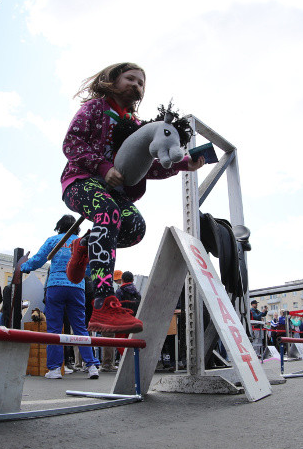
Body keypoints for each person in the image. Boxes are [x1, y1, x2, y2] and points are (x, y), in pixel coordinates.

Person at [60, 62, 205, 334]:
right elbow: (73, 143)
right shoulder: (94, 109)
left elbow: (146, 167)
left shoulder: (136, 125)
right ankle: (102, 303)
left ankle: (86, 244)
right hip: (81, 181)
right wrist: (104, 168)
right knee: (109, 213)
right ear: (112, 81)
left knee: (135, 228)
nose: (136, 86)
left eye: (141, 83)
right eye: (130, 79)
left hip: (114, 194)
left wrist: (184, 164)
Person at [20, 215, 101, 379]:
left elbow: (39, 259)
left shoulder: (53, 241)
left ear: (59, 226)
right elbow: (89, 268)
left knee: (54, 328)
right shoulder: (81, 242)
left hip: (55, 286)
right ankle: (92, 365)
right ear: (76, 228)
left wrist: (24, 267)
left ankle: (55, 369)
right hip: (76, 286)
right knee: (79, 327)